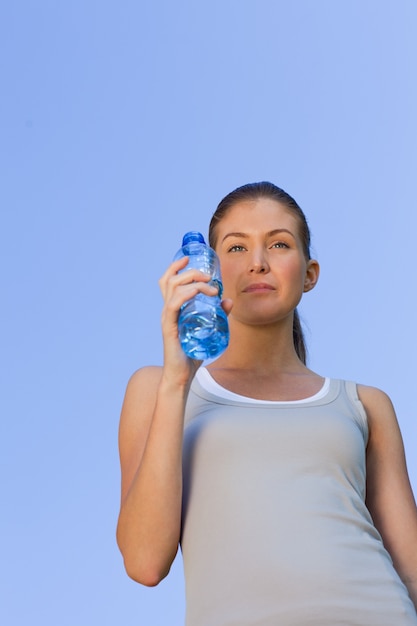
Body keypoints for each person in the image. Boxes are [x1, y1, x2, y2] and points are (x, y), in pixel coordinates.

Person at [116, 181, 417, 625]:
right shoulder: (158, 389)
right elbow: (144, 562)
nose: (258, 263)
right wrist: (178, 379)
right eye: (236, 249)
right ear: (209, 270)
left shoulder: (365, 403)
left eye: (278, 244)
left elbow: (411, 570)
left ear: (309, 273)